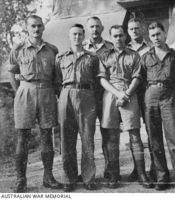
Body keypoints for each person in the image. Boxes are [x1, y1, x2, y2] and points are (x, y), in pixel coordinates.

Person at [8, 15, 62, 193]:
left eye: (39, 26)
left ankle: (48, 177)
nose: (37, 29)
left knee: (47, 135)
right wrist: (19, 92)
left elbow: (56, 76)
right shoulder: (18, 49)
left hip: (46, 92)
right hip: (26, 91)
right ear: (27, 28)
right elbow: (12, 71)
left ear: (43, 27)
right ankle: (21, 180)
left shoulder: (52, 50)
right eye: (33, 26)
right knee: (23, 136)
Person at [98, 25, 152, 189]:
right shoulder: (104, 55)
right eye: (115, 36)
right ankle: (114, 174)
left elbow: (137, 77)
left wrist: (126, 94)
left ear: (125, 36)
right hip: (110, 94)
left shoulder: (134, 55)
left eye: (121, 35)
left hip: (130, 93)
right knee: (112, 135)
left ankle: (141, 173)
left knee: (134, 134)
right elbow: (102, 79)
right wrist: (117, 93)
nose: (118, 38)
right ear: (111, 37)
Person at [141, 21, 175, 192]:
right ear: (150, 37)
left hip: (169, 97)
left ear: (165, 35)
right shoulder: (146, 57)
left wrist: (170, 90)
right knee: (154, 140)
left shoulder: (174, 56)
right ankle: (162, 177)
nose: (156, 37)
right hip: (151, 97)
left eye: (158, 34)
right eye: (153, 35)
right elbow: (141, 78)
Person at [56, 24, 99, 192]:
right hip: (66, 94)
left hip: (86, 94)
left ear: (84, 36)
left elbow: (96, 78)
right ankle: (70, 177)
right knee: (67, 138)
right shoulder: (60, 57)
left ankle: (88, 177)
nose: (77, 37)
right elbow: (57, 79)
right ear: (69, 36)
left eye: (80, 34)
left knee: (87, 137)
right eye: (74, 34)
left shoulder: (92, 58)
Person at [83, 16, 114, 180]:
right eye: (91, 27)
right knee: (87, 134)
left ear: (102, 28)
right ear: (88, 29)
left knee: (108, 132)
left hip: (106, 93)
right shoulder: (81, 46)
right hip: (87, 93)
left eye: (97, 26)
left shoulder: (110, 46)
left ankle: (110, 171)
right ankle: (89, 174)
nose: (94, 29)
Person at [126, 17, 156, 182]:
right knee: (133, 132)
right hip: (131, 93)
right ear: (127, 31)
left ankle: (154, 167)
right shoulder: (124, 47)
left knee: (151, 130)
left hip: (146, 92)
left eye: (137, 28)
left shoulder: (151, 47)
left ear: (142, 29)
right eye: (131, 29)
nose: (134, 31)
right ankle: (138, 169)